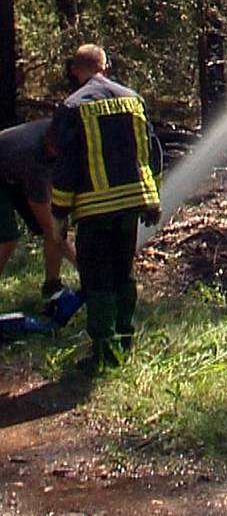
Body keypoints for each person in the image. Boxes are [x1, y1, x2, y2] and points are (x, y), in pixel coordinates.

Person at [49, 44, 161, 370]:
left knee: (97, 279)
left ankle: (105, 353)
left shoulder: (72, 107)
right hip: (131, 205)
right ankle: (126, 343)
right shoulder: (133, 99)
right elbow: (152, 151)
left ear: (76, 70)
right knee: (123, 272)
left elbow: (65, 167)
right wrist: (152, 199)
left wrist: (59, 215)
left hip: (94, 210)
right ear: (106, 66)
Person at [0, 118, 77, 300]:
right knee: (7, 239)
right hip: (6, 174)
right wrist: (87, 271)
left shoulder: (64, 131)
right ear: (53, 148)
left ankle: (52, 286)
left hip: (12, 171)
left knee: (57, 223)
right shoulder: (33, 161)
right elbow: (53, 229)